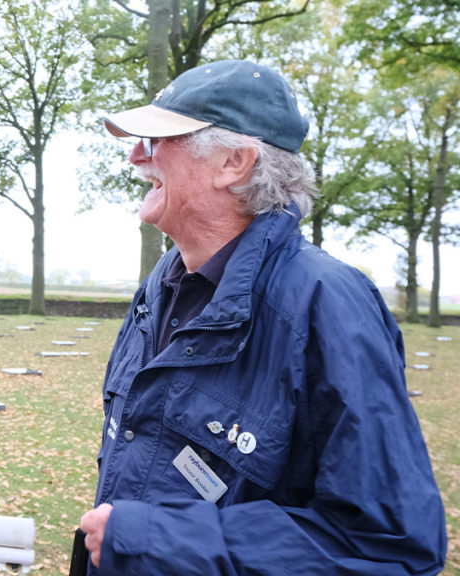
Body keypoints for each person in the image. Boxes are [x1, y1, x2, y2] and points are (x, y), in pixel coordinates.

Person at [78, 60, 447, 575]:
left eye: (159, 140)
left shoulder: (327, 302)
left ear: (234, 162)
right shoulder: (163, 284)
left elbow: (387, 546)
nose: (137, 155)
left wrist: (150, 540)